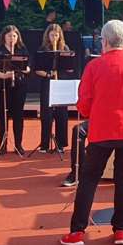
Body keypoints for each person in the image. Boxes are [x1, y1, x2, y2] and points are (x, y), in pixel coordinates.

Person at [60, 20, 123, 245]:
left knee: (89, 179)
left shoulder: (94, 66)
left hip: (103, 130)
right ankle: (121, 230)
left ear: (103, 41)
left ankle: (77, 231)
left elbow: (84, 105)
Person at [0, 25, 30, 156]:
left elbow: (28, 67)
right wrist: (4, 75)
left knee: (18, 115)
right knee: (2, 115)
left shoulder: (21, 49)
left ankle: (18, 144)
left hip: (19, 86)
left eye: (14, 36)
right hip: (2, 86)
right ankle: (3, 144)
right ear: (4, 37)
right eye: (9, 36)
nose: (12, 39)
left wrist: (25, 69)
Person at [34, 24, 72, 154]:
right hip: (47, 83)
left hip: (60, 84)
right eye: (52, 35)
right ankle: (45, 143)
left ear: (60, 36)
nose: (54, 38)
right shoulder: (43, 49)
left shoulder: (65, 49)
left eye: (56, 35)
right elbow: (37, 69)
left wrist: (65, 66)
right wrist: (48, 74)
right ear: (47, 35)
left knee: (62, 113)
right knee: (46, 113)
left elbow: (70, 68)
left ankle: (61, 143)